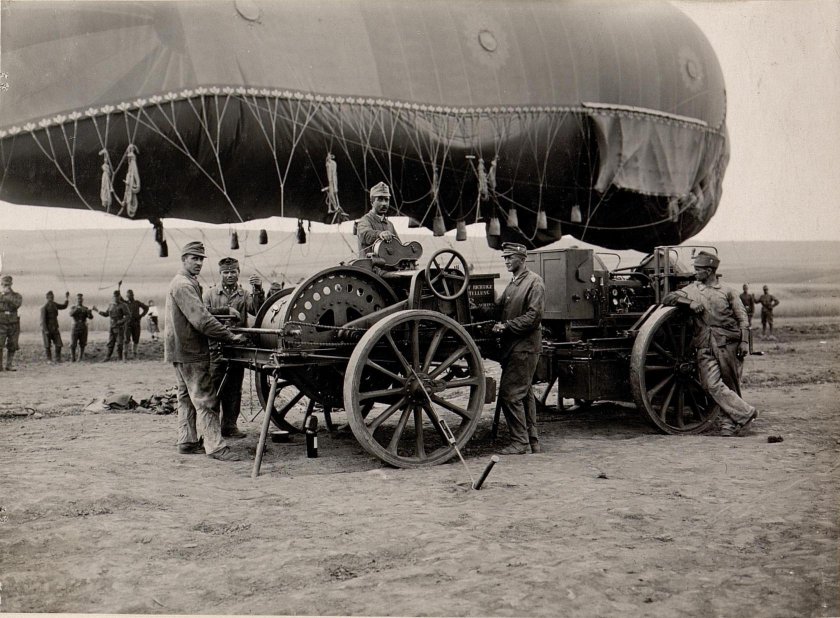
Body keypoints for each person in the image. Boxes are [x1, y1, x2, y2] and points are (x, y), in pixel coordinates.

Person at [165, 241, 247, 461]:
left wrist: (224, 310)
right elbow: (201, 320)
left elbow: (201, 309)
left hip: (179, 351)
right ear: (184, 259)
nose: (199, 262)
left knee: (185, 398)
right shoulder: (183, 285)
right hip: (191, 350)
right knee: (206, 398)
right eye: (194, 258)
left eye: (201, 258)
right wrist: (230, 336)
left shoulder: (185, 282)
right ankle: (216, 447)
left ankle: (187, 441)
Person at [663, 251, 758, 437]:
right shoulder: (692, 290)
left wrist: (744, 342)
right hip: (704, 344)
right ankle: (747, 412)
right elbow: (668, 298)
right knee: (710, 384)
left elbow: (742, 318)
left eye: (698, 269)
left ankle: (728, 425)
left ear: (709, 270)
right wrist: (687, 302)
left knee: (730, 383)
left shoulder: (728, 291)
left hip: (728, 343)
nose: (695, 272)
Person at [491, 242, 545, 454]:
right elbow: (499, 307)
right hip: (515, 346)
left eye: (509, 257)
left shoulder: (534, 283)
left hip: (525, 347)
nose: (506, 261)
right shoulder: (513, 284)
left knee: (510, 394)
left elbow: (534, 317)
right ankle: (532, 441)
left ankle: (520, 442)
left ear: (522, 259)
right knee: (525, 393)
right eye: (504, 257)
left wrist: (506, 326)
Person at [203, 256, 265, 438]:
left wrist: (258, 290)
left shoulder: (244, 294)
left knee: (234, 388)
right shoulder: (210, 294)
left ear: (238, 273)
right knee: (214, 387)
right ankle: (212, 428)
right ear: (220, 273)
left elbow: (257, 310)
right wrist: (224, 312)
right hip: (215, 347)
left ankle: (229, 425)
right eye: (226, 272)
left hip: (237, 347)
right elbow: (203, 314)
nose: (229, 275)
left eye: (233, 272)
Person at [356, 181, 400, 257]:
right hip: (369, 267)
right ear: (372, 202)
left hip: (388, 268)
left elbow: (398, 246)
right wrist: (380, 234)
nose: (384, 203)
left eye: (386, 200)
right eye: (380, 199)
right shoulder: (364, 221)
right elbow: (366, 235)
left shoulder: (389, 224)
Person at [94, 291, 129, 361]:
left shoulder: (123, 305)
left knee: (119, 343)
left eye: (117, 296)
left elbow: (128, 316)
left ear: (119, 297)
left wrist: (121, 321)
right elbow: (106, 314)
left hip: (119, 327)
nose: (115, 298)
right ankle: (107, 357)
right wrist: (97, 311)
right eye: (114, 296)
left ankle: (120, 358)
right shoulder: (111, 305)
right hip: (112, 326)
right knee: (110, 342)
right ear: (113, 297)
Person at [0, 275, 22, 371]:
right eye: (4, 284)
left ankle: (9, 364)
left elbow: (16, 304)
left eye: (8, 284)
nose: (6, 286)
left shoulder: (17, 295)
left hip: (13, 322)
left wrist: (6, 297)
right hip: (1, 322)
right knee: (0, 344)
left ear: (11, 284)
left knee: (13, 344)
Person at [40, 290, 69, 363]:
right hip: (47, 328)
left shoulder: (54, 305)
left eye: (52, 296)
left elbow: (63, 306)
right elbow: (42, 321)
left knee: (59, 344)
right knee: (47, 345)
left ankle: (58, 359)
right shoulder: (44, 307)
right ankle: (49, 359)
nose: (52, 297)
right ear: (47, 297)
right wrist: (46, 330)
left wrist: (67, 298)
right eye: (50, 296)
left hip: (55, 328)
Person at [123, 289, 149, 359]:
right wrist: (119, 286)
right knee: (126, 339)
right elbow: (119, 297)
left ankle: (135, 354)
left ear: (133, 295)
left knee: (136, 339)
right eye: (128, 295)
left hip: (136, 323)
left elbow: (146, 308)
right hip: (128, 323)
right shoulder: (125, 303)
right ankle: (125, 354)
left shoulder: (137, 302)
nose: (129, 297)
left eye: (130, 295)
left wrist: (141, 316)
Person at [68, 293, 94, 361]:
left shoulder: (85, 308)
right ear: (76, 300)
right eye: (78, 299)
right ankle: (72, 357)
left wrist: (89, 312)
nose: (79, 300)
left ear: (82, 300)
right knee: (73, 343)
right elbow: (71, 314)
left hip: (83, 327)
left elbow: (91, 317)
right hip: (75, 326)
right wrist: (76, 309)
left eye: (81, 299)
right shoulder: (73, 307)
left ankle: (80, 358)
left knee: (83, 343)